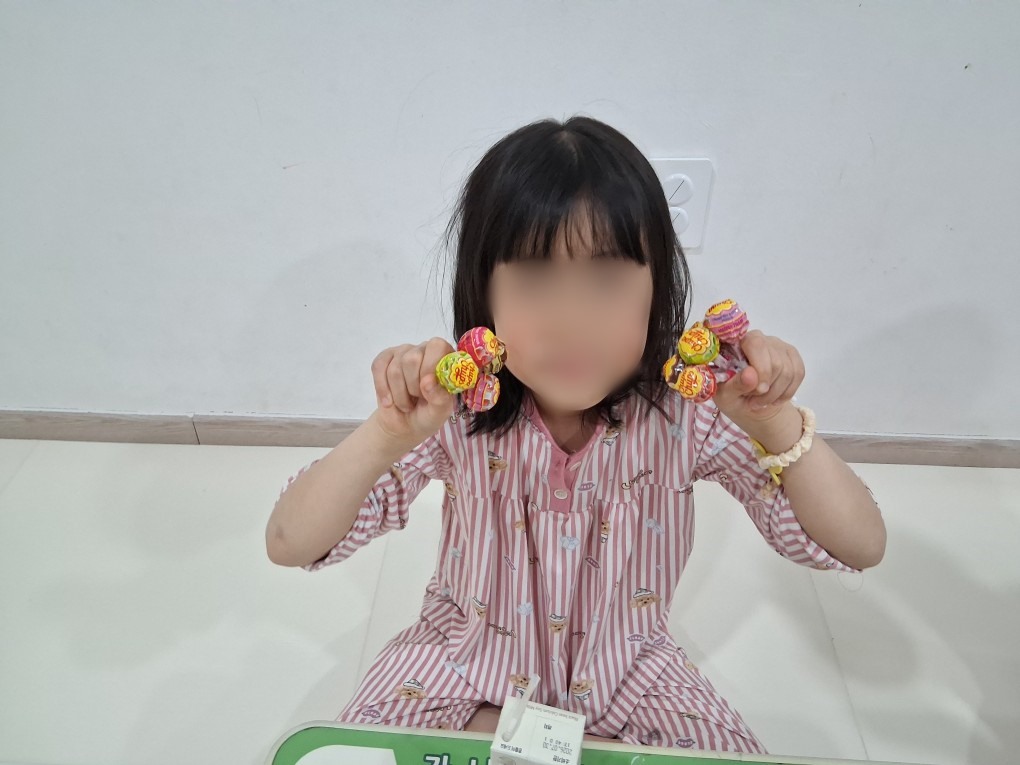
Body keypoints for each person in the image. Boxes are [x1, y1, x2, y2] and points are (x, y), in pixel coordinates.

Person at [265, 116, 886, 753]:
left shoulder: (687, 414)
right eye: (535, 280)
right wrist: (387, 434)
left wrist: (772, 419)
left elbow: (860, 543)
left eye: (607, 280)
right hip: (461, 665)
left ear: (656, 290)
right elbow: (290, 542)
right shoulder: (454, 412)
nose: (573, 321)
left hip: (632, 677)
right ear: (484, 295)